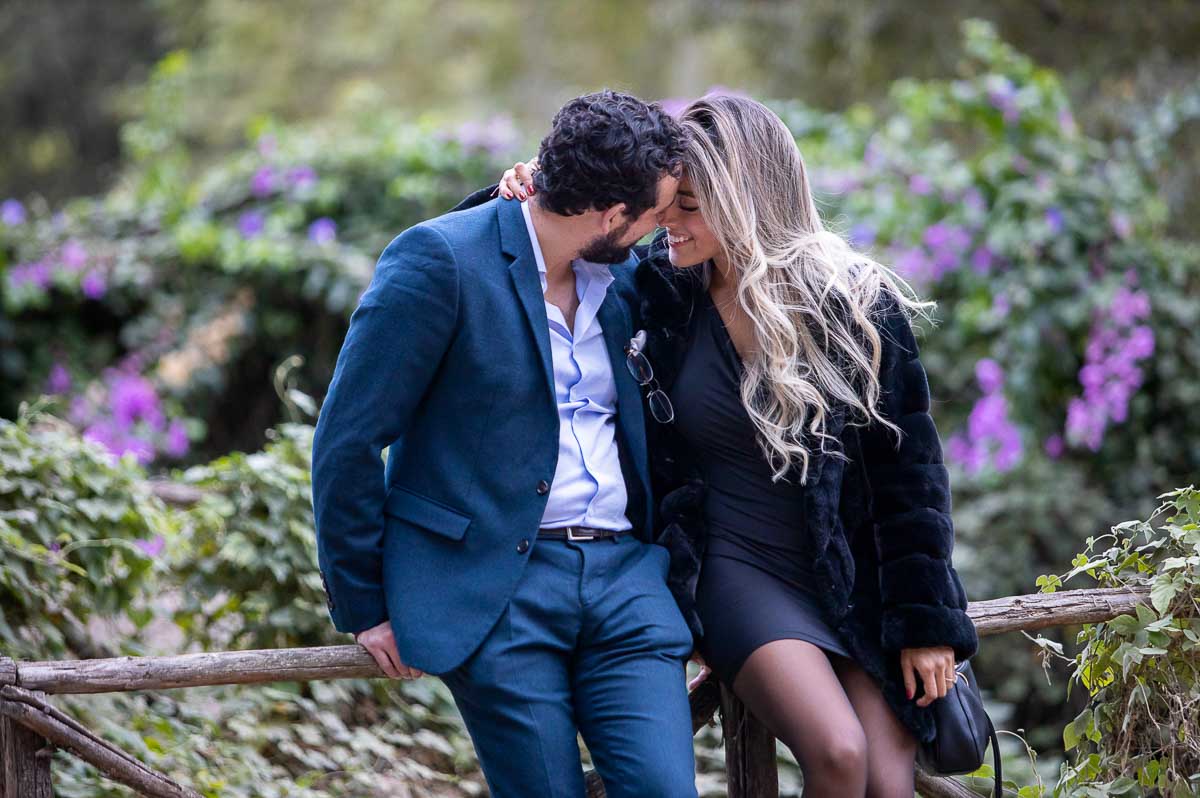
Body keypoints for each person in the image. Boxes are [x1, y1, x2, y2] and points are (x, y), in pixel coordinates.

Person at [489, 94, 979, 796]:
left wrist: (929, 621)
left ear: (747, 198)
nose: (666, 223)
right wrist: (532, 186)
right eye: (665, 204)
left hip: (850, 574)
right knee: (839, 754)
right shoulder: (656, 290)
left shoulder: (856, 304)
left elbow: (910, 473)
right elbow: (546, 246)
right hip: (731, 565)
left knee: (888, 776)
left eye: (688, 205)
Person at [311, 89, 700, 798]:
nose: (658, 230)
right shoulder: (439, 261)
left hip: (627, 581)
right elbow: (348, 438)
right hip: (497, 590)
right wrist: (363, 604)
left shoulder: (629, 281)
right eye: (652, 216)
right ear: (612, 215)